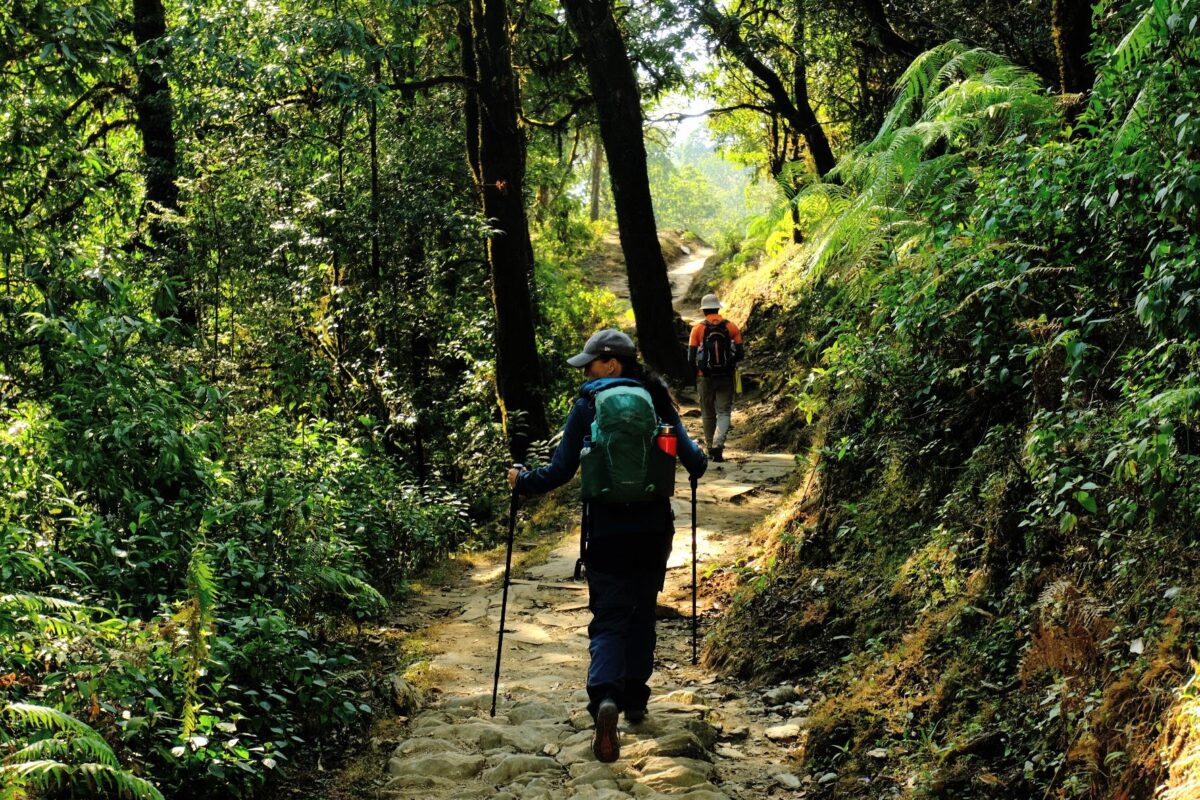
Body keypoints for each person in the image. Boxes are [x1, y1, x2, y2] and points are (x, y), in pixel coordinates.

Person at [506, 328, 706, 763]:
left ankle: (605, 699)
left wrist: (523, 481)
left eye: (592, 362)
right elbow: (694, 462)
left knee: (610, 617)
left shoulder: (588, 404)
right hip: (653, 530)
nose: (588, 370)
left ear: (612, 363)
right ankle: (635, 698)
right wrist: (690, 454)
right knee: (642, 612)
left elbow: (559, 471)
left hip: (607, 532)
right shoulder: (656, 399)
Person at [688, 293, 744, 462]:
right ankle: (718, 445)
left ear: (704, 310)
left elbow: (691, 358)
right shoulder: (731, 327)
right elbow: (740, 354)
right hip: (726, 376)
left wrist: (697, 373)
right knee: (724, 412)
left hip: (704, 377)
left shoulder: (697, 329)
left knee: (707, 414)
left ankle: (710, 446)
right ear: (718, 308)